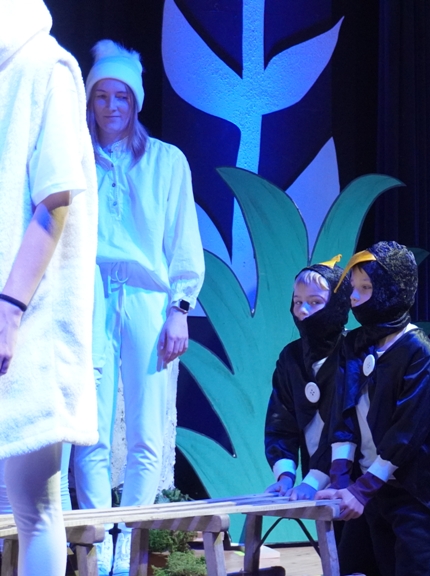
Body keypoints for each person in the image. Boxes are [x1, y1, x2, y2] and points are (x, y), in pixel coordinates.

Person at [71, 39, 205, 576]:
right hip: (89, 294)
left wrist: (179, 309)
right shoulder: (76, 157)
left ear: (136, 100)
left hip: (149, 298)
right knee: (91, 429)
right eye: (101, 95)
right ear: (90, 101)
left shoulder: (167, 161)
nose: (111, 106)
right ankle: (98, 540)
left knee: (148, 430)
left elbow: (183, 241)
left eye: (121, 96)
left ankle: (130, 542)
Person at [0, 1, 99, 573]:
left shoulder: (47, 66)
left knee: (35, 506)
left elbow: (55, 198)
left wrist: (10, 309)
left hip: (29, 316)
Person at [316, 241, 430, 576]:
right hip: (368, 483)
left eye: (366, 288)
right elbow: (342, 413)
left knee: (413, 568)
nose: (354, 298)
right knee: (363, 566)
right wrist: (341, 477)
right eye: (353, 288)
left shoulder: (418, 352)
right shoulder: (353, 344)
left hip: (412, 487)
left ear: (392, 289)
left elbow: (407, 430)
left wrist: (363, 488)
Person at [265, 257, 350, 500]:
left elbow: (345, 428)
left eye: (315, 302)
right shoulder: (290, 357)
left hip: (355, 484)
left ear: (337, 304)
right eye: (298, 302)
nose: (303, 311)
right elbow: (281, 421)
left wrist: (313, 481)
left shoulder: (352, 355)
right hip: (314, 485)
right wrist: (285, 476)